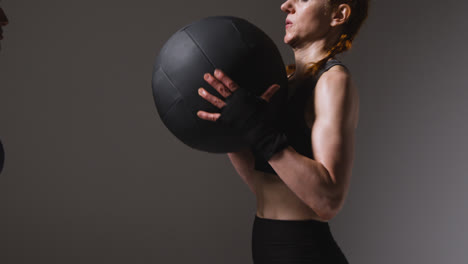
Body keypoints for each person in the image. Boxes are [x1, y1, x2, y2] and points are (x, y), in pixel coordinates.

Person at [197, 0, 369, 263]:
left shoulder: (333, 82)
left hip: (303, 250)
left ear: (338, 14)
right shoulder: (284, 84)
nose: (286, 5)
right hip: (268, 243)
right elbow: (263, 185)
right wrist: (234, 128)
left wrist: (258, 129)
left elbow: (328, 201)